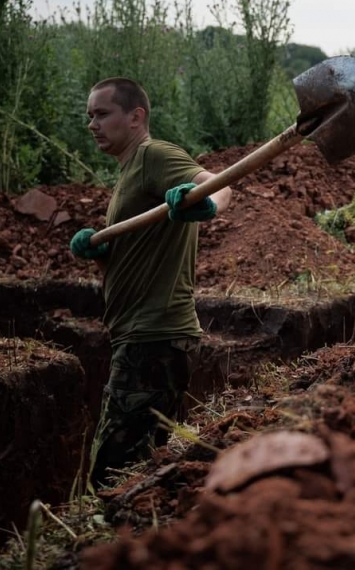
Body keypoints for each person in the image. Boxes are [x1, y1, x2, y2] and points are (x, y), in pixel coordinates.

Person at [68, 77, 232, 488]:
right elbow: (126, 268)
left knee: (112, 473)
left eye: (102, 114)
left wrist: (205, 203)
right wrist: (101, 255)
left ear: (136, 116)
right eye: (90, 116)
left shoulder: (154, 155)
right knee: (138, 469)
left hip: (155, 338)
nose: (92, 124)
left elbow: (221, 184)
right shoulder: (127, 175)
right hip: (137, 336)